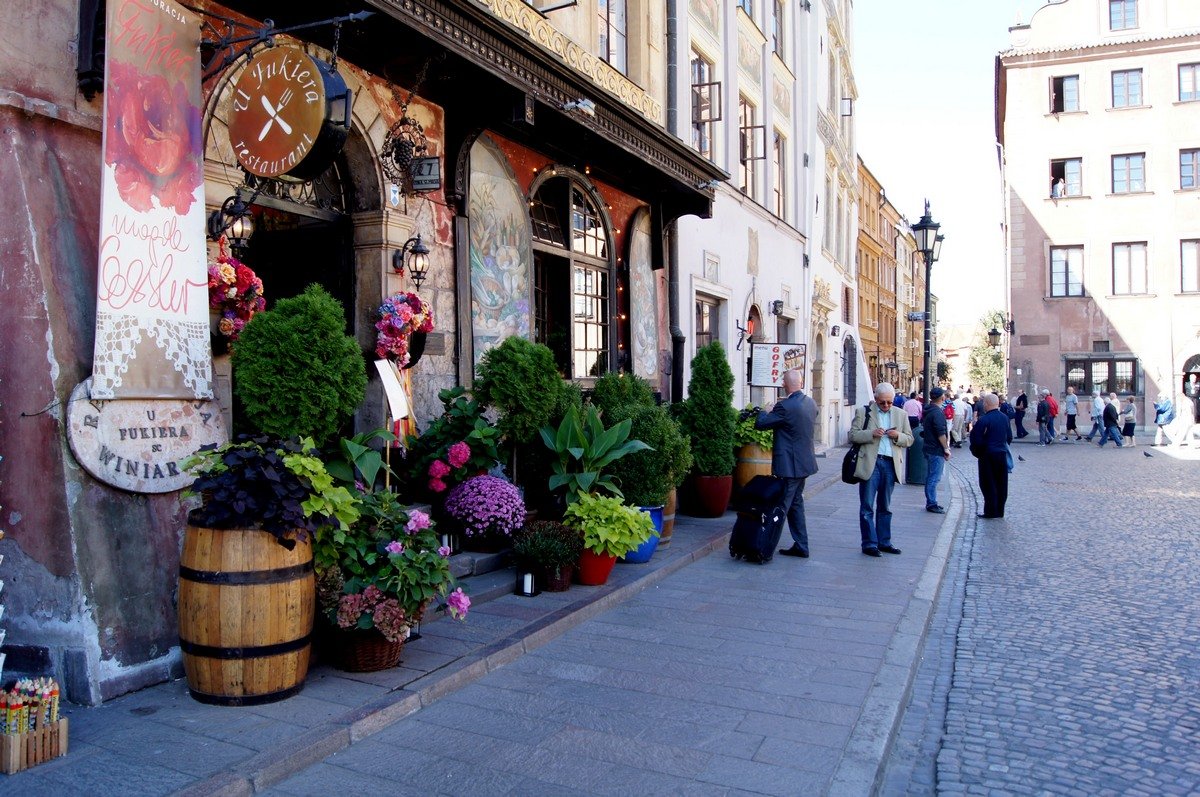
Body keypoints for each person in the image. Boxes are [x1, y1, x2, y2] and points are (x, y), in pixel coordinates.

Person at [754, 369, 819, 558]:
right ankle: (801, 545)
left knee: (780, 508)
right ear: (802, 381)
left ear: (784, 384)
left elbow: (762, 424)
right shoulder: (811, 403)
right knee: (796, 504)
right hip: (804, 465)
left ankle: (765, 549)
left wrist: (765, 411)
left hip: (790, 467)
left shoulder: (785, 406)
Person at [848, 382, 914, 557]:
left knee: (885, 506)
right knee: (867, 505)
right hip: (871, 462)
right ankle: (869, 543)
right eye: (882, 402)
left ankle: (884, 542)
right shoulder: (863, 412)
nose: (886, 405)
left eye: (890, 402)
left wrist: (898, 436)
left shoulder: (901, 415)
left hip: (890, 464)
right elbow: (852, 435)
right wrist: (871, 434)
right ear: (875, 399)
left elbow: (909, 439)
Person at [969, 392, 1013, 519]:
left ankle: (990, 511)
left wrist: (978, 452)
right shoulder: (1004, 418)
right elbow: (1008, 437)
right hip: (1001, 454)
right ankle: (999, 511)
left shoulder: (984, 420)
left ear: (986, 404)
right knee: (1001, 483)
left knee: (988, 483)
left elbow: (976, 439)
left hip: (987, 454)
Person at [920, 387, 952, 514]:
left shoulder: (928, 410)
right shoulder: (937, 413)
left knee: (931, 476)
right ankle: (932, 503)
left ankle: (931, 501)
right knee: (934, 477)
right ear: (942, 397)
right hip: (935, 449)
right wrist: (946, 448)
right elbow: (941, 433)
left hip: (928, 446)